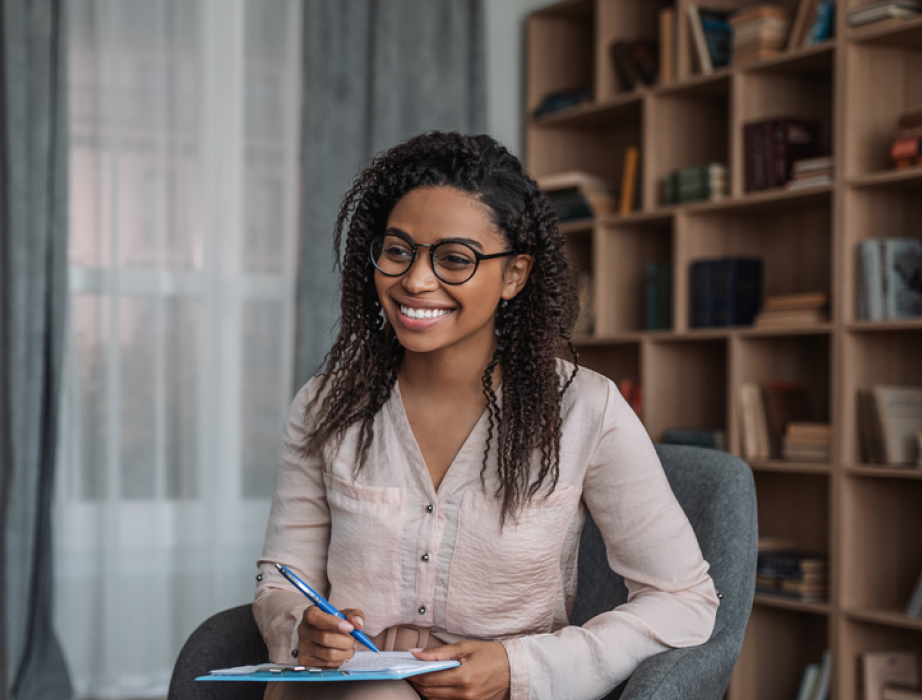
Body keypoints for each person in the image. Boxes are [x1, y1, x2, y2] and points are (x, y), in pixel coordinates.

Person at [253, 132, 718, 700]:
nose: (416, 281)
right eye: (398, 250)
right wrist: (302, 626)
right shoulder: (327, 405)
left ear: (515, 275)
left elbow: (684, 600)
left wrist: (518, 666)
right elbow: (282, 578)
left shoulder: (584, 409)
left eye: (454, 259)